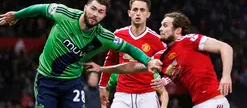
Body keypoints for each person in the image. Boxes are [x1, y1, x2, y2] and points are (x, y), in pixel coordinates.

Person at [0, 0, 162, 108]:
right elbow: (40, 8)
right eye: (93, 9)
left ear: (104, 16)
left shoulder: (104, 36)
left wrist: (148, 61)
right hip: (47, 80)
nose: (95, 14)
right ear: (85, 7)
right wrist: (17, 15)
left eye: (101, 12)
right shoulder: (64, 14)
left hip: (72, 83)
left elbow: (128, 47)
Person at [84, 11, 233, 108]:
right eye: (161, 25)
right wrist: (102, 69)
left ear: (178, 30)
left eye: (165, 25)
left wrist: (226, 76)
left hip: (214, 101)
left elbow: (226, 48)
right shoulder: (163, 56)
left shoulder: (191, 40)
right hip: (199, 104)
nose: (160, 28)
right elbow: (133, 67)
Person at [99, 0, 167, 108]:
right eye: (135, 10)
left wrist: (164, 80)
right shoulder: (118, 35)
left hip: (147, 95)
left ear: (148, 14)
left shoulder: (156, 40)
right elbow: (110, 61)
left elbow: (169, 61)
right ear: (129, 13)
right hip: (122, 95)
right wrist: (102, 85)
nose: (138, 13)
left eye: (142, 10)